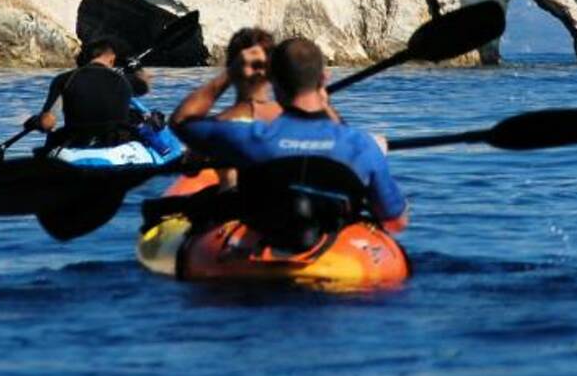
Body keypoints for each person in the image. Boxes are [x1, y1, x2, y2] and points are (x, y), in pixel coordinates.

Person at [173, 37, 407, 233]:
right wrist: (378, 153)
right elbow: (396, 221)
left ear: (273, 81)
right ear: (324, 78)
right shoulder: (362, 146)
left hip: (257, 256)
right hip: (331, 254)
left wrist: (231, 72)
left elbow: (182, 121)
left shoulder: (248, 137)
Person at [26, 37, 150, 150]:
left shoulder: (64, 79)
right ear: (112, 60)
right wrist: (136, 67)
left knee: (55, 136)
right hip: (118, 141)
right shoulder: (123, 79)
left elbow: (48, 123)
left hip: (77, 140)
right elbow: (145, 86)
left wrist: (35, 121)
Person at [170, 26, 279, 127]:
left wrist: (232, 70)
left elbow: (180, 120)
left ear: (232, 66)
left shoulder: (220, 130)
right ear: (272, 68)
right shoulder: (291, 124)